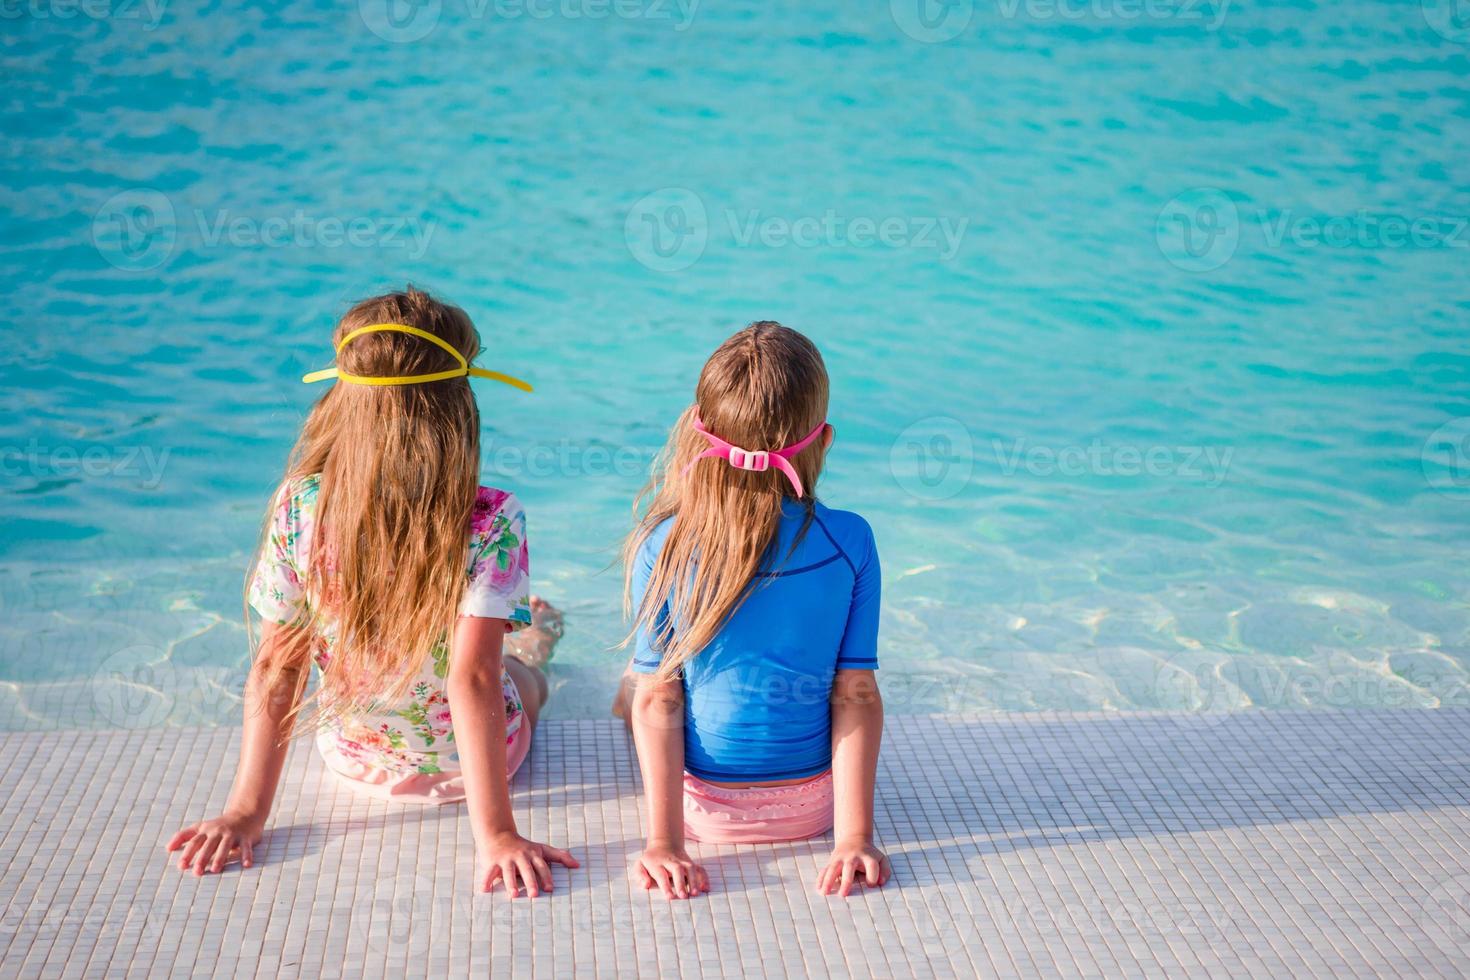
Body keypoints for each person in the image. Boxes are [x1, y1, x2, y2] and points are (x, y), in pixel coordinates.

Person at [166, 287, 577, 897]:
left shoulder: (300, 506)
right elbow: (474, 681)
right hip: (475, 765)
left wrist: (246, 813)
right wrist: (495, 834)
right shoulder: (490, 518)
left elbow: (279, 663)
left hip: (356, 755)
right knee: (522, 675)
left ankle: (526, 634)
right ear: (459, 402)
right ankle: (537, 639)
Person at [617, 321, 890, 900]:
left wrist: (665, 843)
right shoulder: (852, 539)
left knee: (641, 685)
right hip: (812, 810)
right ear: (825, 440)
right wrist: (854, 837)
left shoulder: (662, 542)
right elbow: (856, 691)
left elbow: (660, 699)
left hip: (702, 813)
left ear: (698, 431)